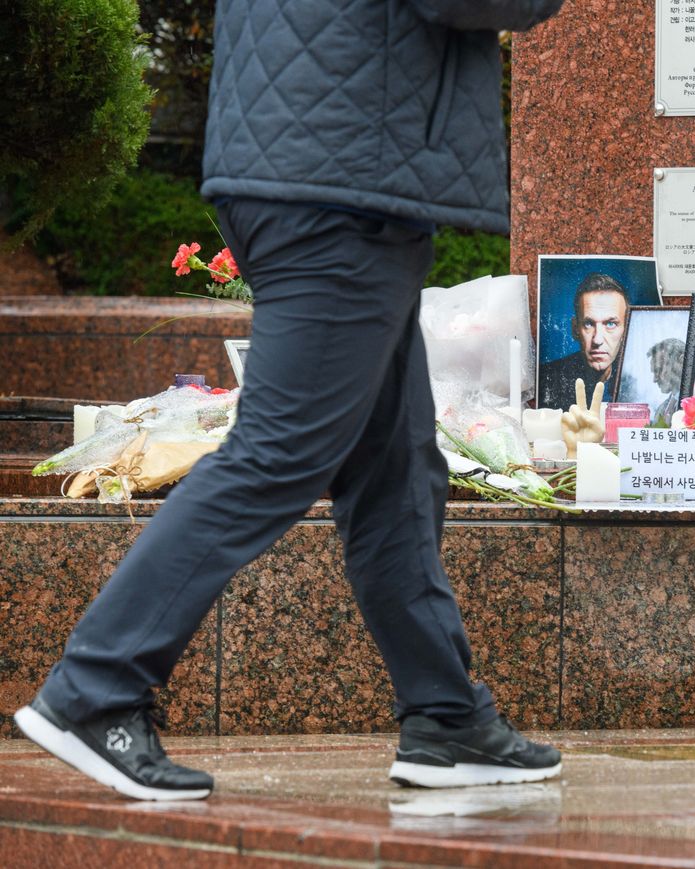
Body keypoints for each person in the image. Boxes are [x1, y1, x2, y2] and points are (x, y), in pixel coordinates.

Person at [15, 0, 565, 801]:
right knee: (276, 454)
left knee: (394, 470)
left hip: (322, 160)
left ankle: (445, 716)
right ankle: (93, 691)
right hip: (339, 180)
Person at [538, 273, 629, 409]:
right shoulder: (546, 379)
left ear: (626, 329)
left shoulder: (637, 383)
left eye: (610, 324)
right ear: (575, 329)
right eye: (588, 324)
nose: (597, 340)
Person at [647, 337, 685, 422]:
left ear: (681, 361)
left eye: (659, 370)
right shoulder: (662, 409)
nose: (655, 379)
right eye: (654, 372)